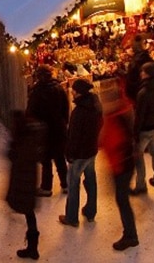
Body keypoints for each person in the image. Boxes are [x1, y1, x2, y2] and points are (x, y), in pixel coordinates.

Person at [100, 83, 139, 251]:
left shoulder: (116, 118)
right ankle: (130, 234)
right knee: (122, 199)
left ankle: (130, 236)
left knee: (122, 201)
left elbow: (115, 143)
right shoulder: (119, 114)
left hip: (121, 165)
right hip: (121, 164)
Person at [59, 78, 101, 228]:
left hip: (80, 154)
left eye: (73, 91)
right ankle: (91, 211)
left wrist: (69, 154)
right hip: (91, 150)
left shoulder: (79, 112)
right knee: (91, 180)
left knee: (73, 184)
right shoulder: (95, 106)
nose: (71, 93)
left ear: (77, 93)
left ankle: (71, 217)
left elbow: (74, 137)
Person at [4, 110, 44, 260]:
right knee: (30, 214)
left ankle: (33, 248)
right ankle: (33, 246)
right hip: (30, 181)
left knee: (28, 213)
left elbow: (12, 156)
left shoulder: (21, 144)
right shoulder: (33, 137)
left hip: (22, 183)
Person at [25, 65, 68, 196]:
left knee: (46, 160)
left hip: (44, 132)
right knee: (60, 158)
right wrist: (64, 122)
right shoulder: (59, 88)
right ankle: (66, 184)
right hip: (58, 129)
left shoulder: (36, 92)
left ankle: (46, 187)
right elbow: (66, 108)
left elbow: (30, 113)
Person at [132, 60, 154, 194]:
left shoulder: (143, 93)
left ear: (148, 74)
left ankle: (141, 184)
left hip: (145, 130)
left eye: (143, 72)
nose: (141, 74)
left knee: (138, 156)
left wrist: (135, 134)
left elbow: (139, 116)